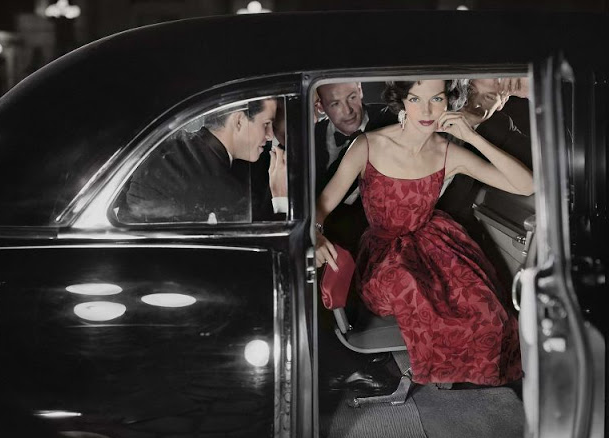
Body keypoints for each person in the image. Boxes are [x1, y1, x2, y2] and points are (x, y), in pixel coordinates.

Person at [315, 79, 533, 386]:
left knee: (484, 308)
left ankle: (469, 384)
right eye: (416, 99)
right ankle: (433, 372)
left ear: (449, 102)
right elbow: (323, 205)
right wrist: (315, 233)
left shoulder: (449, 152)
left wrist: (473, 137)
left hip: (434, 244)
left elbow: (526, 185)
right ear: (402, 101)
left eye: (437, 99)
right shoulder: (367, 145)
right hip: (382, 254)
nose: (427, 111)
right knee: (410, 286)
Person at [119, 98, 276, 223]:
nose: (270, 135)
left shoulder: (170, 146)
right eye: (266, 124)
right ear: (239, 121)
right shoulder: (229, 195)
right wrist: (279, 197)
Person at [437, 77, 532, 279]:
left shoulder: (497, 128)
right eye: (470, 92)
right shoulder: (422, 121)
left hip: (448, 235)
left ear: (502, 103)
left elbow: (538, 176)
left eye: (489, 97)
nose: (476, 104)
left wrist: (473, 138)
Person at [314, 82, 397, 255]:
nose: (348, 111)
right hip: (328, 244)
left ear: (360, 90)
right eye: (335, 104)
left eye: (352, 97)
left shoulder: (392, 119)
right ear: (320, 106)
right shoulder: (310, 137)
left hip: (381, 240)